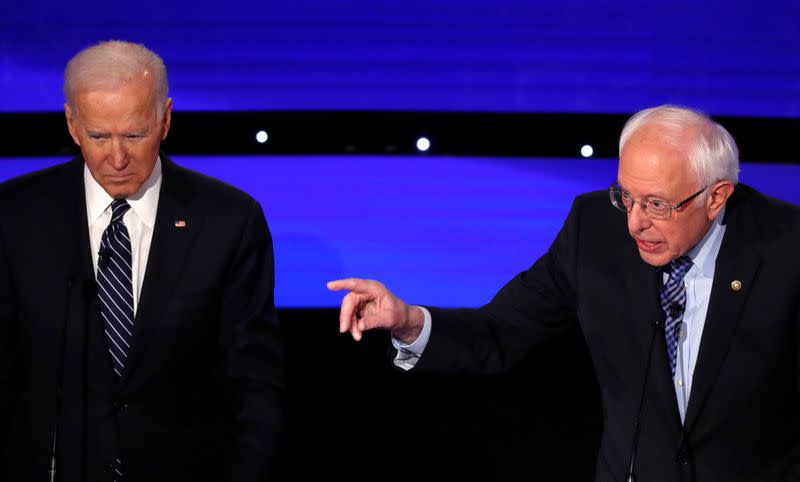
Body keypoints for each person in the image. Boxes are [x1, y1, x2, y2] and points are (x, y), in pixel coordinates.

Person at [328, 105, 800, 481]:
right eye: (626, 196)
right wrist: (410, 321)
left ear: (715, 197)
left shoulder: (786, 246)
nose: (635, 222)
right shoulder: (595, 228)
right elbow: (502, 330)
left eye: (657, 204)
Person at [0, 40, 284, 482]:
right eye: (98, 136)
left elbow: (255, 384)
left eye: (135, 134)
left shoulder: (229, 220)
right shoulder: (14, 216)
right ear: (72, 124)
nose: (117, 158)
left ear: (165, 118)